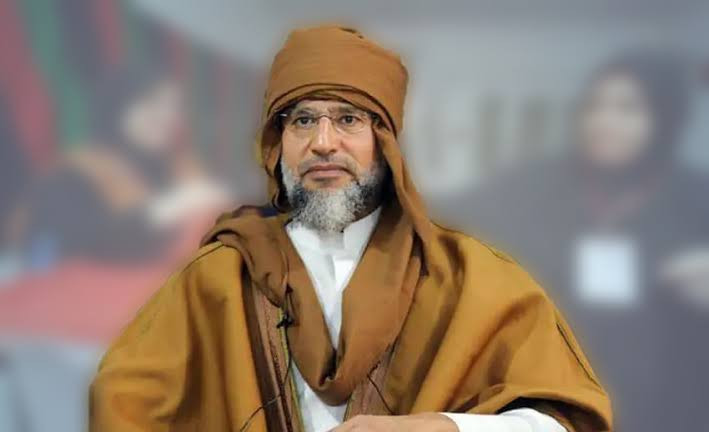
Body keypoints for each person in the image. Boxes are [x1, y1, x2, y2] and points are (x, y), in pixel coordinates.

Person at [89, 26, 612, 432]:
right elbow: (124, 408)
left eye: (347, 119)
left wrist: (441, 427)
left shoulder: (469, 277)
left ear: (385, 143)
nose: (322, 143)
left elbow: (563, 422)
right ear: (277, 145)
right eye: (302, 120)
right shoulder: (218, 278)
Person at [438, 50, 709, 431]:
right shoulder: (536, 186)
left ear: (664, 118)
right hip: (555, 397)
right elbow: (450, 219)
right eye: (595, 106)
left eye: (627, 109)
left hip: (664, 406)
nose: (604, 122)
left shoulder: (695, 203)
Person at [11, 65, 226, 267]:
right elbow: (77, 246)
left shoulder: (178, 165)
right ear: (119, 107)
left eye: (174, 107)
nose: (165, 116)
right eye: (151, 103)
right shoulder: (75, 174)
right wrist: (165, 209)